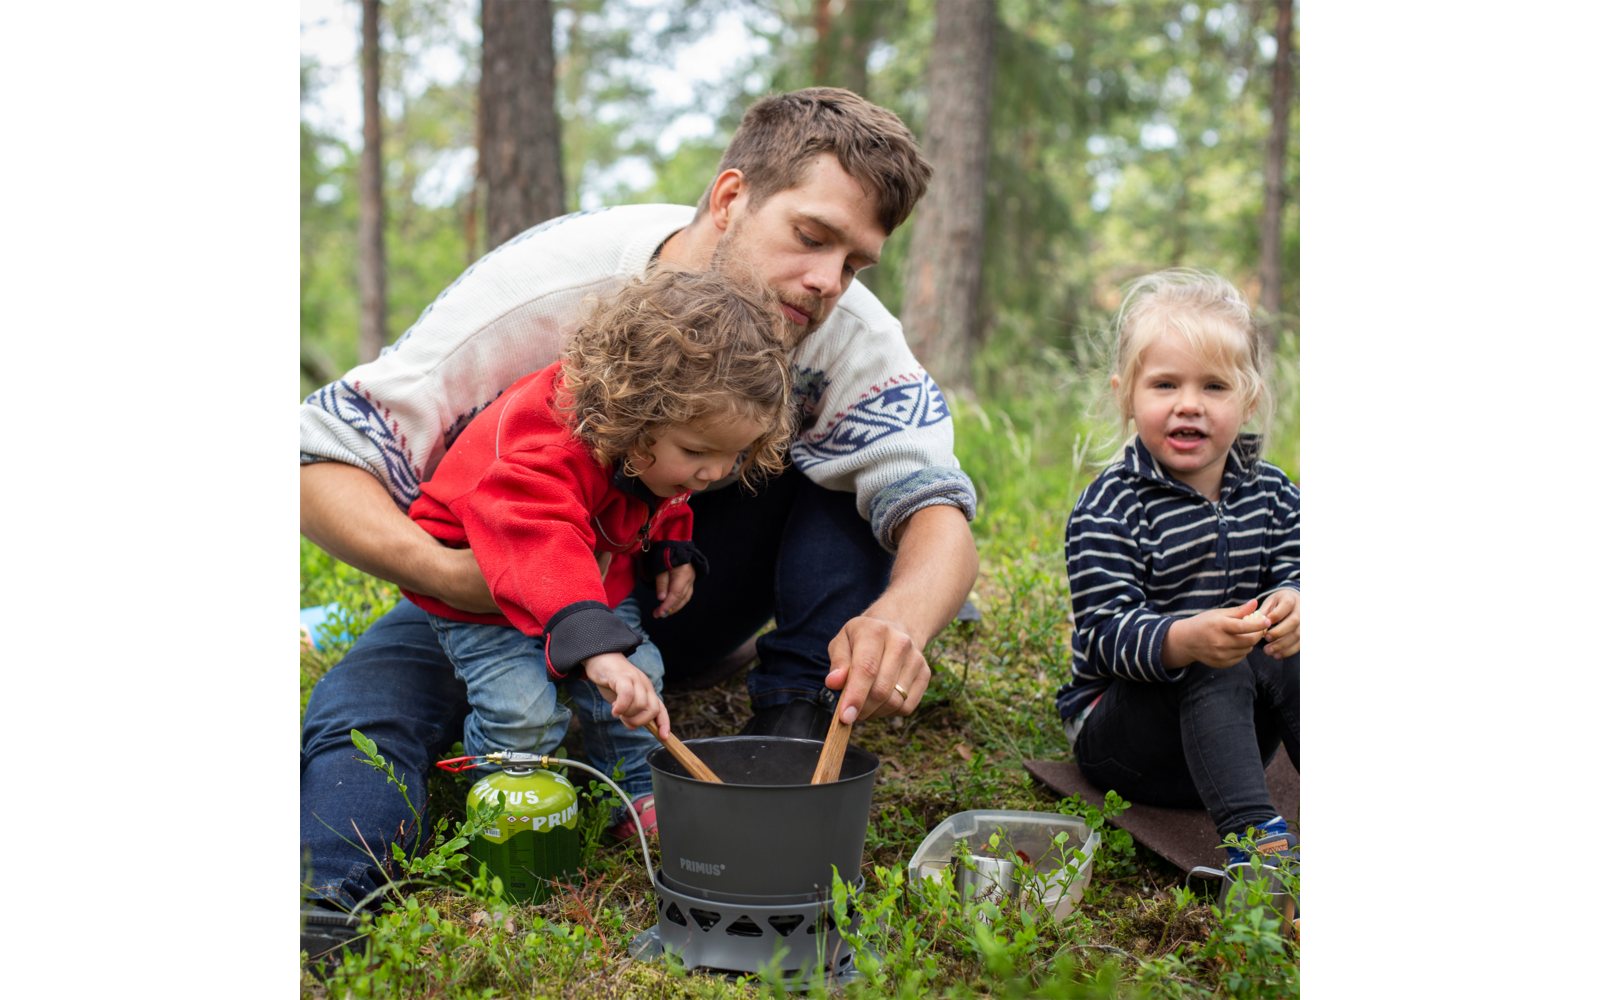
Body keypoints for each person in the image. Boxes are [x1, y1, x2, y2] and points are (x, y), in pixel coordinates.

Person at [300, 88, 980, 914]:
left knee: (850, 472)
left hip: (668, 582)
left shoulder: (847, 331)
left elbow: (935, 506)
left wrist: (900, 619)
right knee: (364, 713)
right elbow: (314, 459)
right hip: (499, 577)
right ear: (731, 199)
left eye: (856, 263)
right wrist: (451, 575)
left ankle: (788, 731)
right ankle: (323, 895)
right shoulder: (546, 287)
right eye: (811, 237)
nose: (827, 282)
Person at [404, 267, 795, 841]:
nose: (713, 472)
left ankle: (635, 790)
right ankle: (506, 813)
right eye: (697, 451)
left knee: (641, 676)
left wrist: (670, 546)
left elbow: (662, 493)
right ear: (635, 420)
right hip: (485, 580)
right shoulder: (549, 442)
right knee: (522, 710)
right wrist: (597, 648)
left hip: (588, 571)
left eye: (731, 456)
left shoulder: (659, 449)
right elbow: (537, 530)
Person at [1053, 269, 1300, 868]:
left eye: (1214, 386)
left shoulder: (1273, 493)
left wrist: (1297, 599)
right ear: (1126, 394)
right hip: (1131, 742)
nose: (1188, 404)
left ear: (1248, 400)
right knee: (1211, 660)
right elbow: (1105, 635)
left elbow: (1300, 564)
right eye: (1165, 384)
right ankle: (1258, 850)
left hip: (1238, 738)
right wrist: (1183, 638)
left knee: (1290, 645)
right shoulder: (1109, 507)